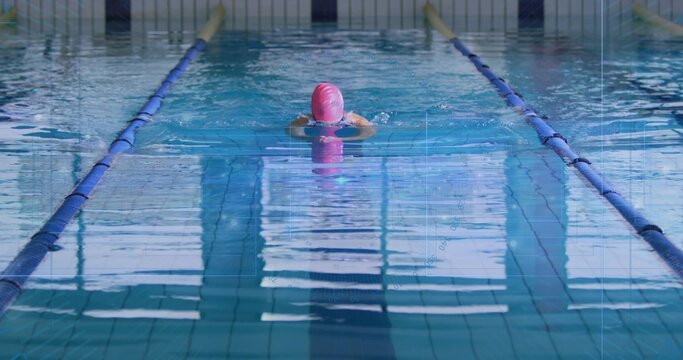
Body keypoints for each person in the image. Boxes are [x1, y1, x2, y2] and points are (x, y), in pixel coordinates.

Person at [286, 83, 376, 142]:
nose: (329, 125)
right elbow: (289, 129)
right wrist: (309, 139)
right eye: (323, 122)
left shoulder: (352, 118)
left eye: (334, 122)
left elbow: (370, 131)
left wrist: (342, 139)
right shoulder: (308, 119)